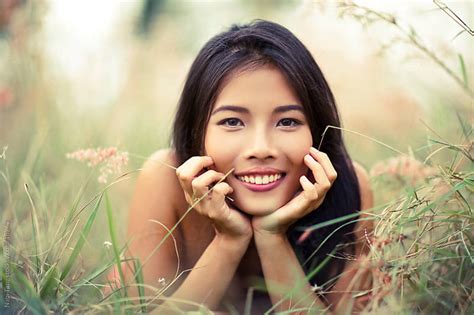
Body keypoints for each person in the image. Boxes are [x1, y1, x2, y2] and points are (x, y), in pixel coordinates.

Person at [105, 19, 374, 314]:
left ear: (317, 130)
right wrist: (228, 242)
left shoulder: (350, 185)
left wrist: (273, 239)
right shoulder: (163, 180)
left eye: (287, 121)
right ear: (198, 132)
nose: (261, 148)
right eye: (232, 122)